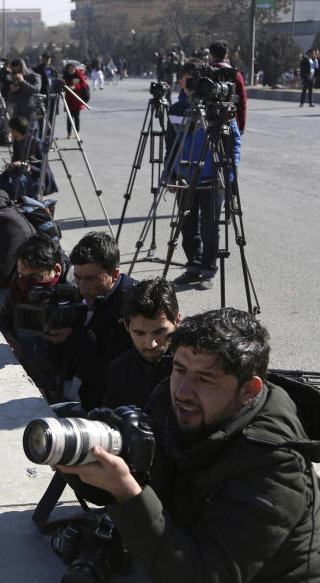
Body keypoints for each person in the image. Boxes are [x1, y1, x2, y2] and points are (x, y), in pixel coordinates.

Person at [56, 308, 320, 583]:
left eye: (205, 379)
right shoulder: (172, 402)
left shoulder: (274, 464)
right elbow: (140, 476)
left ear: (249, 390)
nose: (184, 391)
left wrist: (128, 494)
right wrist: (80, 464)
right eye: (179, 369)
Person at [42, 232, 136, 410]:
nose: (83, 287)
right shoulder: (77, 294)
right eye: (77, 277)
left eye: (91, 279)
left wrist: (74, 339)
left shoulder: (131, 308)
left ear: (114, 275)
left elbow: (109, 377)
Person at [168, 62, 241, 290]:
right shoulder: (177, 109)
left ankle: (209, 269)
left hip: (212, 176)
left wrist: (228, 176)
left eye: (196, 81)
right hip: (185, 177)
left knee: (210, 227)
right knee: (188, 226)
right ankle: (193, 265)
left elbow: (234, 142)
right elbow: (170, 144)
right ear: (179, 81)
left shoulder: (217, 109)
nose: (192, 86)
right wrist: (170, 173)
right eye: (187, 81)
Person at [0, 235, 75, 400]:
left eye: (35, 277)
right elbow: (2, 318)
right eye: (22, 274)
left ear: (56, 270)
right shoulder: (18, 287)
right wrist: (8, 338)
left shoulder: (75, 289)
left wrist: (72, 335)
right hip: (29, 369)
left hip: (66, 376)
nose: (26, 283)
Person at [103, 278, 180, 409]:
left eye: (159, 331)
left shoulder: (198, 366)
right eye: (140, 333)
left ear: (177, 321)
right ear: (127, 325)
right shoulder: (118, 372)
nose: (151, 344)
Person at [0, 116, 58, 200]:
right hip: (22, 179)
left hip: (36, 180)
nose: (9, 132)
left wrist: (24, 165)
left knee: (18, 181)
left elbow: (43, 170)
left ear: (15, 131)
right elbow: (13, 166)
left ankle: (23, 203)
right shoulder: (17, 143)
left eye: (10, 130)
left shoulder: (36, 143)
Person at [208, 40, 246, 133]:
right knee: (234, 146)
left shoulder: (207, 73)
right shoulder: (236, 75)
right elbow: (242, 102)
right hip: (231, 121)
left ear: (210, 55)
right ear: (226, 55)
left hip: (207, 122)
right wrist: (241, 126)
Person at [62, 62, 89, 139]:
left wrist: (76, 86)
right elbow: (62, 87)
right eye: (69, 69)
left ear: (75, 68)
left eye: (72, 69)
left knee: (77, 117)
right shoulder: (65, 76)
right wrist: (67, 88)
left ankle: (77, 133)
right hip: (69, 99)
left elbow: (84, 84)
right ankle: (69, 133)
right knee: (69, 117)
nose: (71, 70)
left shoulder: (78, 74)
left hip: (77, 99)